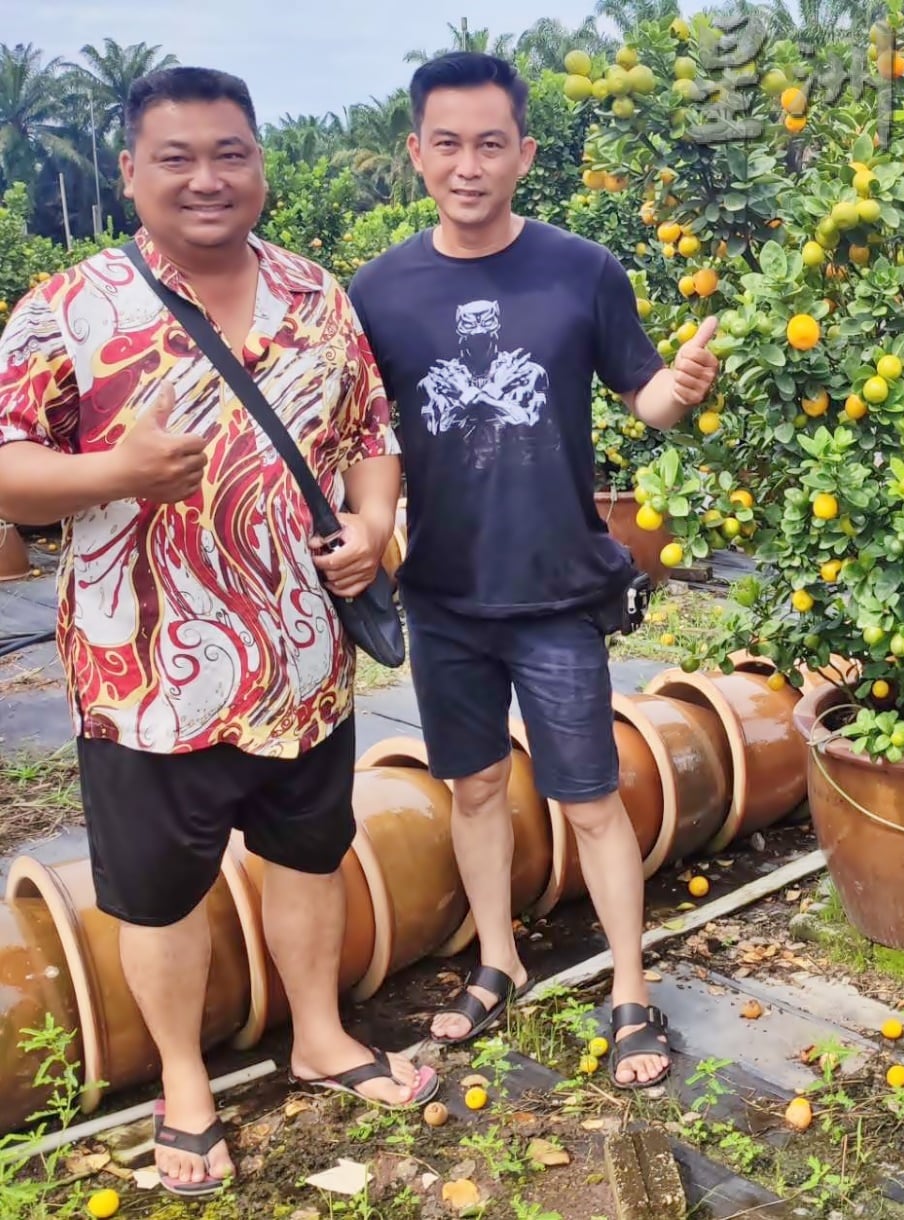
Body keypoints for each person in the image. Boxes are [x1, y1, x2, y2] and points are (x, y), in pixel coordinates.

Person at [0, 67, 435, 1198]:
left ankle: (322, 1036)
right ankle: (185, 1084)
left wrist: (374, 519)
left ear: (259, 165)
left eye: (230, 153)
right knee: (157, 894)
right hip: (145, 675)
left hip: (302, 660)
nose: (208, 178)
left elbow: (370, 428)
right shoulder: (68, 308)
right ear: (132, 171)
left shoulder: (313, 294)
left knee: (306, 859)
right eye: (178, 157)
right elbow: (6, 463)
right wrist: (116, 471)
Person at [348, 53, 719, 1089]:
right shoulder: (376, 291)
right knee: (472, 787)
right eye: (449, 143)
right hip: (445, 593)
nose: (470, 165)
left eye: (491, 143)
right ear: (417, 151)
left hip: (556, 588)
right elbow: (360, 435)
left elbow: (645, 396)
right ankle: (498, 961)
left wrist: (682, 387)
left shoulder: (582, 269)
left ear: (526, 152)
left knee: (591, 797)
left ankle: (631, 988)